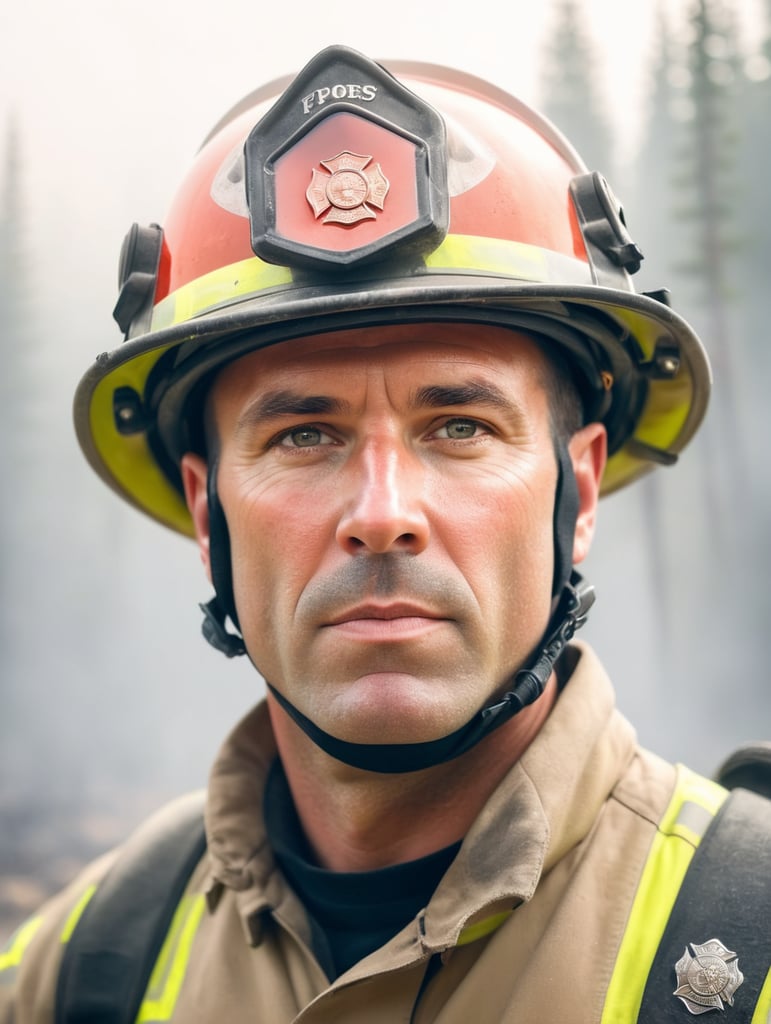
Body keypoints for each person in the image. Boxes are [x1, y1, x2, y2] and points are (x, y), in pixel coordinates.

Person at [2, 44, 769, 1024]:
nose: (381, 514)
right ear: (208, 513)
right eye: (304, 434)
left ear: (573, 488)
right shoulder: (79, 972)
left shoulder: (751, 943)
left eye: (460, 426)